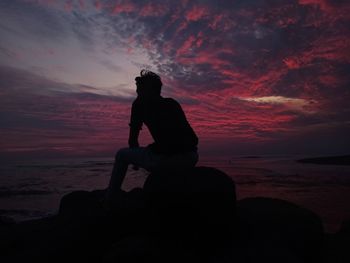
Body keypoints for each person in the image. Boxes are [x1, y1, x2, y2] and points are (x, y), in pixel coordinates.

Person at [105, 70, 199, 204]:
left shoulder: (139, 105)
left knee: (121, 155)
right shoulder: (172, 103)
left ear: (149, 90)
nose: (137, 93)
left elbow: (132, 140)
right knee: (157, 155)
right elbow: (192, 138)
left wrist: (138, 161)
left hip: (168, 159)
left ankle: (110, 198)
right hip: (191, 157)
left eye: (140, 89)